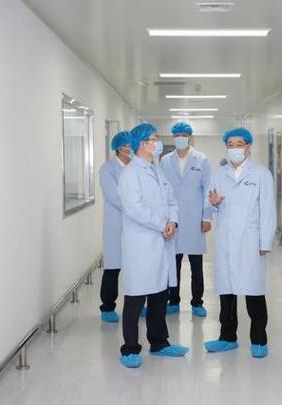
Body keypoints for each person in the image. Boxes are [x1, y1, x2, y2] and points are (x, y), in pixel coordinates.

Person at [117, 123, 189, 368]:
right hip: (141, 243)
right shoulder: (130, 174)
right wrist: (162, 224)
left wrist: (173, 222)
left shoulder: (156, 170)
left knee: (159, 294)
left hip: (161, 241)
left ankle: (159, 343)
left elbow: (172, 199)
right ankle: (129, 348)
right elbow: (135, 208)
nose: (157, 143)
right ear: (141, 144)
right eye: (153, 139)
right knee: (136, 297)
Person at [204, 128, 276, 358]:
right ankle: (227, 337)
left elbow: (268, 210)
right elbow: (209, 206)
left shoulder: (261, 174)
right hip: (226, 239)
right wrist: (214, 204)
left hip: (250, 240)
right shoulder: (218, 174)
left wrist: (265, 241)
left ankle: (259, 340)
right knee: (227, 293)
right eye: (231, 144)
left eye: (239, 144)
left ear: (248, 147)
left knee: (254, 292)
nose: (235, 149)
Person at [160, 122, 212, 317]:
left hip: (194, 218)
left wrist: (207, 217)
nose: (180, 138)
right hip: (172, 219)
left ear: (190, 137)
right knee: (173, 264)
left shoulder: (201, 159)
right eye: (177, 135)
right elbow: (162, 190)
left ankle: (197, 302)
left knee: (196, 266)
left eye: (184, 134)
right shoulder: (165, 160)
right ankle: (173, 300)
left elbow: (208, 189)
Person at [98, 131, 131, 323]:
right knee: (113, 267)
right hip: (116, 224)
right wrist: (137, 208)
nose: (129, 149)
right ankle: (108, 306)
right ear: (118, 148)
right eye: (126, 145)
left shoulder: (137, 167)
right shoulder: (107, 169)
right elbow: (113, 196)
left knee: (136, 267)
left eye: (131, 145)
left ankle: (137, 304)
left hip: (137, 225)